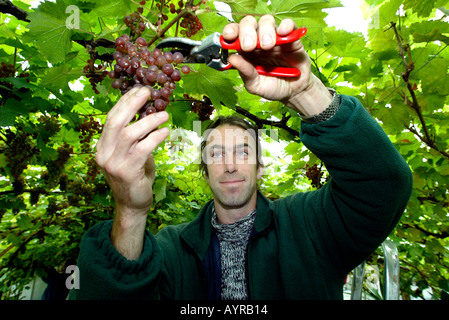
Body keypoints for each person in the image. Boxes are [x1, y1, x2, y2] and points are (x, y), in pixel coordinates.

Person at [69, 15, 412, 300]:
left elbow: (384, 184)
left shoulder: (311, 226)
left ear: (261, 166)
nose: (230, 164)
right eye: (216, 153)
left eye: (243, 151)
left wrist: (308, 94)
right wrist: (129, 212)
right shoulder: (170, 251)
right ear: (203, 170)